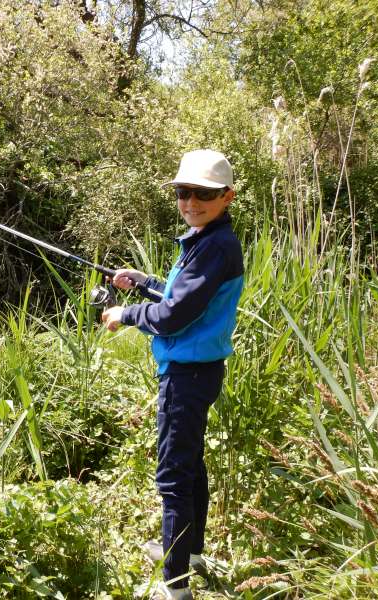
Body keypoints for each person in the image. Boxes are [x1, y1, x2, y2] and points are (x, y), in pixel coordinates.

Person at [101, 149, 244, 600]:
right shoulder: (207, 240)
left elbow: (173, 316)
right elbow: (182, 296)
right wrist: (144, 281)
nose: (191, 202)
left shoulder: (214, 246)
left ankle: (175, 586)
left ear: (227, 196)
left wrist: (126, 313)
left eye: (203, 194)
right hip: (198, 370)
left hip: (187, 375)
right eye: (184, 192)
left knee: (174, 476)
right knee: (191, 464)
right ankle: (191, 554)